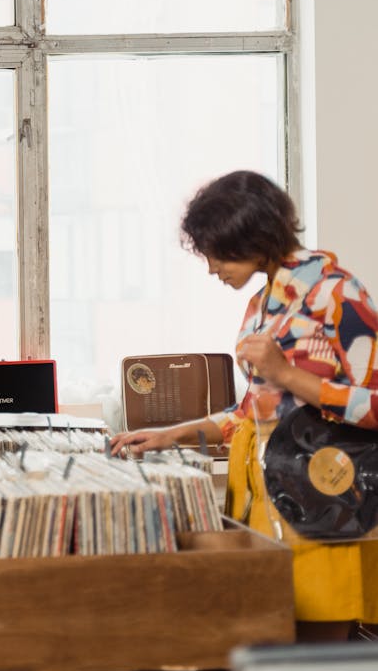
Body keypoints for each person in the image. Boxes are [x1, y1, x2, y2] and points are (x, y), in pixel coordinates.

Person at [110, 169, 378, 642]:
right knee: (268, 650)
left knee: (316, 665)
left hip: (324, 506)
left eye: (216, 251)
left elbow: (374, 405)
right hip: (259, 504)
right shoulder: (260, 304)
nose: (211, 267)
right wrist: (169, 436)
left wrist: (289, 374)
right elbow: (253, 412)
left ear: (252, 236)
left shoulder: (339, 292)